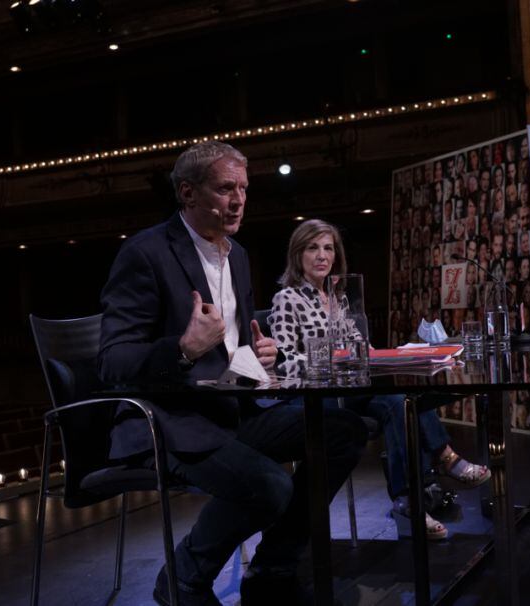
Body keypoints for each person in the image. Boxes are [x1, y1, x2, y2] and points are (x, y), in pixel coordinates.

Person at [97, 141, 367, 606]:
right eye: (226, 189)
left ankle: (274, 563)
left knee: (344, 429)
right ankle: (183, 578)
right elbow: (112, 364)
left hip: (229, 407)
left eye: (244, 188)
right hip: (168, 421)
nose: (239, 199)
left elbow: (230, 348)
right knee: (270, 485)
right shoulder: (145, 253)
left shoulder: (237, 254)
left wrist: (258, 352)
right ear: (188, 193)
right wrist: (181, 349)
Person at [268, 219, 491, 541]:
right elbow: (284, 362)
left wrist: (383, 356)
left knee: (401, 399)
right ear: (297, 254)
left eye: (328, 248)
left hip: (353, 387)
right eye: (312, 248)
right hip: (316, 394)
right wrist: (333, 361)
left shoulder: (339, 298)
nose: (321, 255)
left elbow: (362, 346)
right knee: (396, 401)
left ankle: (408, 500)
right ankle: (444, 460)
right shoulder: (287, 299)